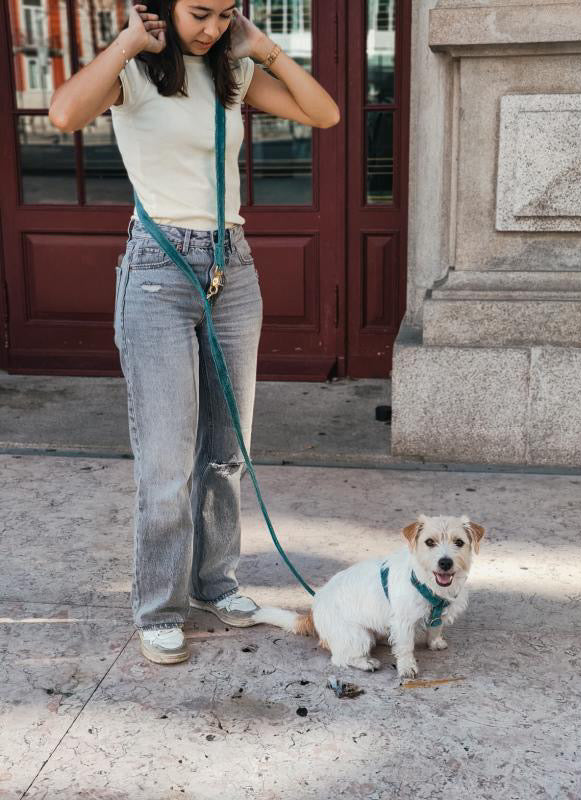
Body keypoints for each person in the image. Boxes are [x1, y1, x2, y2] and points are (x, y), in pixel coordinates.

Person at [49, 0, 339, 665]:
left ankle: (216, 584)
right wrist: (126, 42)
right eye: (200, 12)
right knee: (166, 463)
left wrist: (261, 47)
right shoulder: (133, 71)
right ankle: (159, 605)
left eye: (225, 12)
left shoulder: (229, 73)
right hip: (157, 271)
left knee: (226, 451)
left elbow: (324, 113)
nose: (211, 27)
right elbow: (65, 114)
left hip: (231, 267)